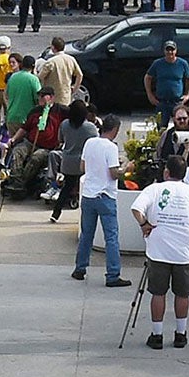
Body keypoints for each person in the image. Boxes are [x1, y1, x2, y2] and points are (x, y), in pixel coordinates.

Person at [132, 153, 189, 352]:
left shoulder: (154, 189)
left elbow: (136, 208)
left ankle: (157, 334)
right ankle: (180, 333)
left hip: (158, 251)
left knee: (158, 293)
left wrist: (144, 224)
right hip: (184, 251)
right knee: (183, 294)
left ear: (166, 172)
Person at [73, 115, 130, 287]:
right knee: (111, 237)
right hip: (105, 196)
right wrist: (126, 168)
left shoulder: (90, 142)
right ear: (115, 130)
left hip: (89, 195)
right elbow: (114, 173)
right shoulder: (111, 147)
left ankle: (80, 268)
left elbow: (83, 167)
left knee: (86, 234)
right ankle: (113, 274)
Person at [144, 39, 189, 128]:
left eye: (172, 50)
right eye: (167, 50)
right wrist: (150, 95)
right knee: (161, 128)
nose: (170, 52)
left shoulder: (183, 63)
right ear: (164, 51)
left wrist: (187, 94)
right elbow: (148, 77)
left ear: (176, 51)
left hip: (177, 102)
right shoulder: (157, 63)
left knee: (181, 127)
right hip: (162, 102)